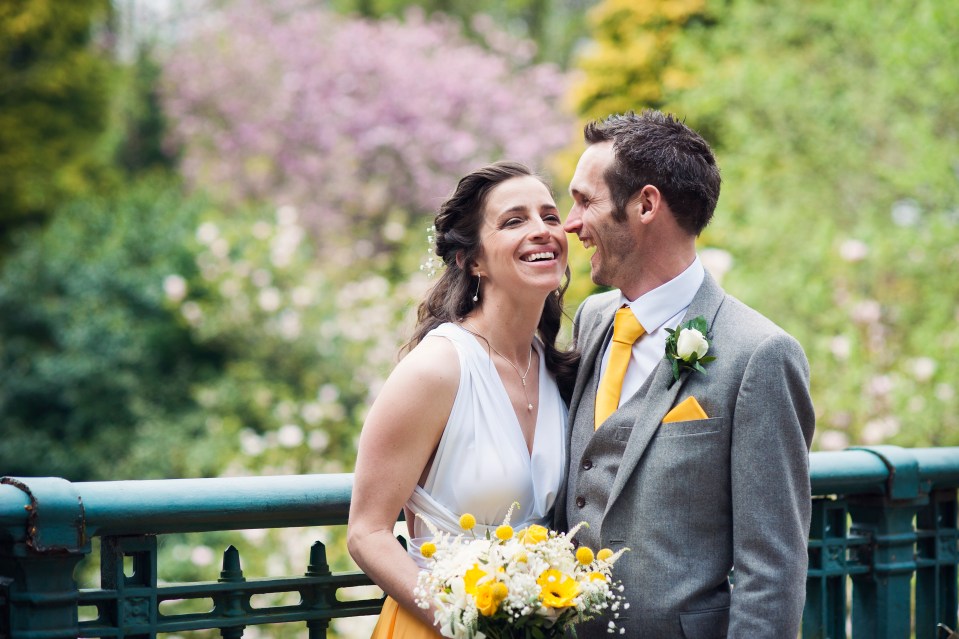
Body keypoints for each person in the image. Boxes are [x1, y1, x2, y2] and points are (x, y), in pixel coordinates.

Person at [556, 110, 815, 638]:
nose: (570, 223)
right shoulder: (592, 320)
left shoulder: (760, 354)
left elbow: (772, 569)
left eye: (585, 201)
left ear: (646, 204)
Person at [348, 161, 578, 638]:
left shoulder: (556, 369)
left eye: (550, 216)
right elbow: (367, 534)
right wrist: (464, 624)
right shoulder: (437, 368)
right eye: (514, 221)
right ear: (472, 261)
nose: (542, 230)